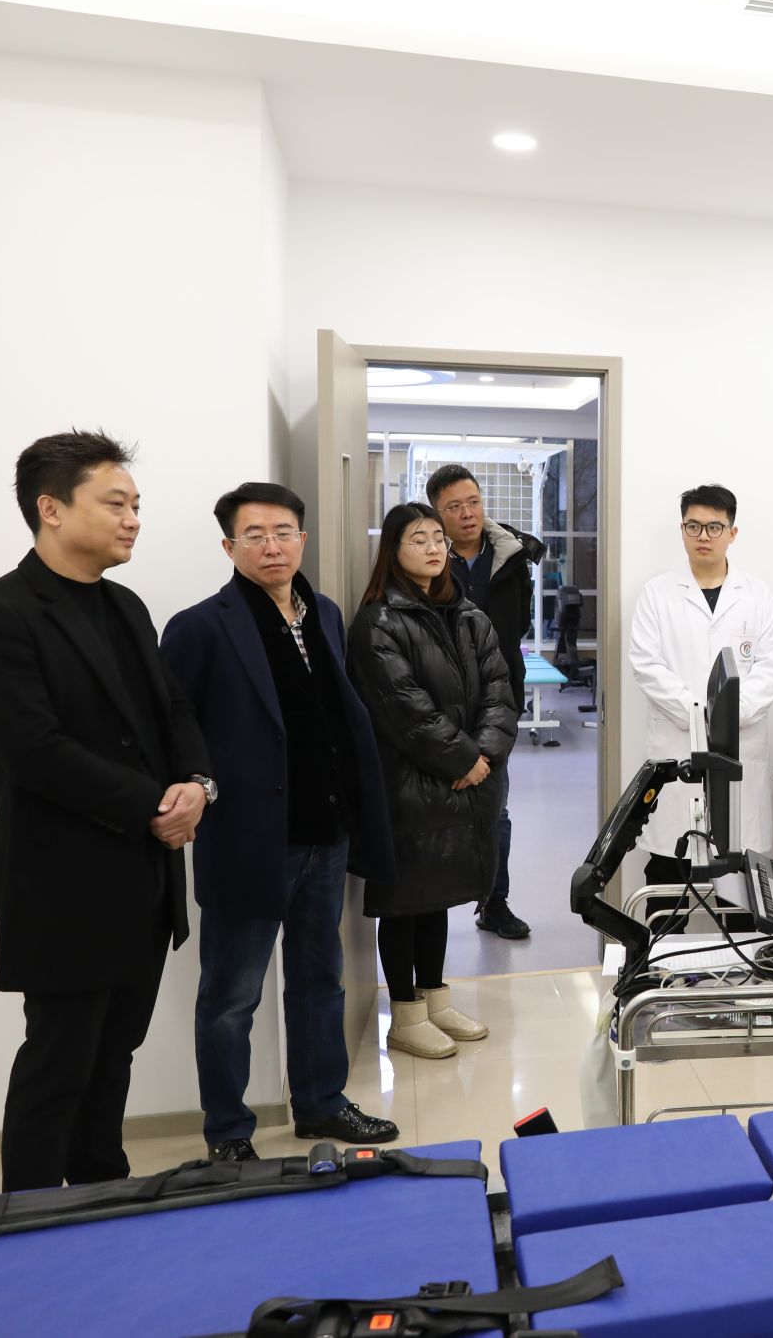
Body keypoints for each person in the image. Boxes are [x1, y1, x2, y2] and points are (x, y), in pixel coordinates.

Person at [0, 431, 212, 1191]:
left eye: (136, 505)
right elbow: (34, 750)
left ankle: (103, 1195)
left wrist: (197, 784)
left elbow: (173, 710)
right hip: (63, 883)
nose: (133, 519)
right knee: (58, 1063)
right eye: (116, 503)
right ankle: (30, 1219)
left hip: (145, 878)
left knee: (114, 1055)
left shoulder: (126, 606)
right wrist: (153, 805)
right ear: (52, 509)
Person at [160, 483, 401, 1160]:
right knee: (231, 996)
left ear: (302, 538)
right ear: (229, 545)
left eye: (284, 532)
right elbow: (174, 729)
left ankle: (321, 1102)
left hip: (326, 833)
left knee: (321, 979)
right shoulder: (200, 627)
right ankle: (228, 1132)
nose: (272, 546)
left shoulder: (323, 612)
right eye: (256, 534)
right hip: (248, 839)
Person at [348, 502, 517, 1058]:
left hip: (465, 780)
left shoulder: (468, 615)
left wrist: (483, 755)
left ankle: (436, 999)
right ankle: (405, 1014)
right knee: (406, 900)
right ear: (393, 551)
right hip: (408, 785)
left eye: (438, 539)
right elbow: (403, 708)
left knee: (439, 895)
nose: (433, 548)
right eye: (418, 539)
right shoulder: (378, 622)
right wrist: (462, 760)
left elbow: (500, 691)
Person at [627, 484, 773, 904]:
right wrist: (701, 714)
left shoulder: (758, 596)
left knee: (740, 891)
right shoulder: (657, 594)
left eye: (714, 527)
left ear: (732, 533)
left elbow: (770, 668)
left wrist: (729, 715)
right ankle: (664, 949)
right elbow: (647, 666)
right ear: (682, 530)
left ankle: (739, 951)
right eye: (693, 526)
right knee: (668, 883)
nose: (703, 536)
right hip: (678, 748)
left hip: (739, 751)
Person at [426, 464, 546, 942]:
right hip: (443, 706)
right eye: (454, 506)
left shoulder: (511, 558)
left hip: (500, 701)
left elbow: (519, 626)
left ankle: (495, 903)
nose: (467, 513)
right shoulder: (430, 558)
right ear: (438, 514)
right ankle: (430, 909)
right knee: (434, 813)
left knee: (497, 808)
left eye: (473, 502)